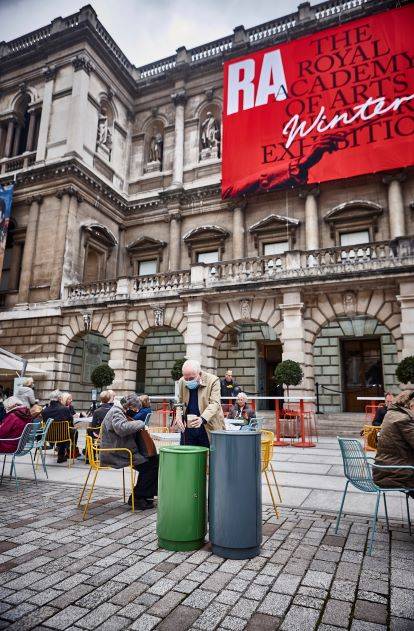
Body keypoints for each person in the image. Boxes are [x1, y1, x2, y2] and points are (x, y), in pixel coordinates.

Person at [100, 394, 158, 509]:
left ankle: (146, 496)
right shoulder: (116, 411)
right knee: (150, 466)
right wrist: (141, 423)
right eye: (135, 409)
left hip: (122, 449)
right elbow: (121, 428)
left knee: (155, 460)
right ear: (129, 406)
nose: (135, 412)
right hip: (117, 452)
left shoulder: (118, 410)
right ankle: (137, 498)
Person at [174, 359, 225, 447]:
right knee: (188, 455)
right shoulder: (182, 381)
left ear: (199, 373)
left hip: (208, 425)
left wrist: (202, 419)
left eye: (192, 378)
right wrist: (178, 415)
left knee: (210, 457)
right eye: (186, 378)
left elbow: (215, 403)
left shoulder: (213, 380)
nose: (188, 381)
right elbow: (180, 401)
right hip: (189, 427)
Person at [373, 390, 414, 491]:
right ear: (411, 405)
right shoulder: (403, 419)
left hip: (384, 471)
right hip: (396, 474)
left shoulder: (391, 414)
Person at [41, 389, 76, 463]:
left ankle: (61, 450)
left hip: (48, 436)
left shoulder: (44, 411)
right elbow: (70, 420)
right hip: (62, 436)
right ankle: (64, 453)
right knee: (72, 431)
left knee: (62, 431)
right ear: (60, 398)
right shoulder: (64, 409)